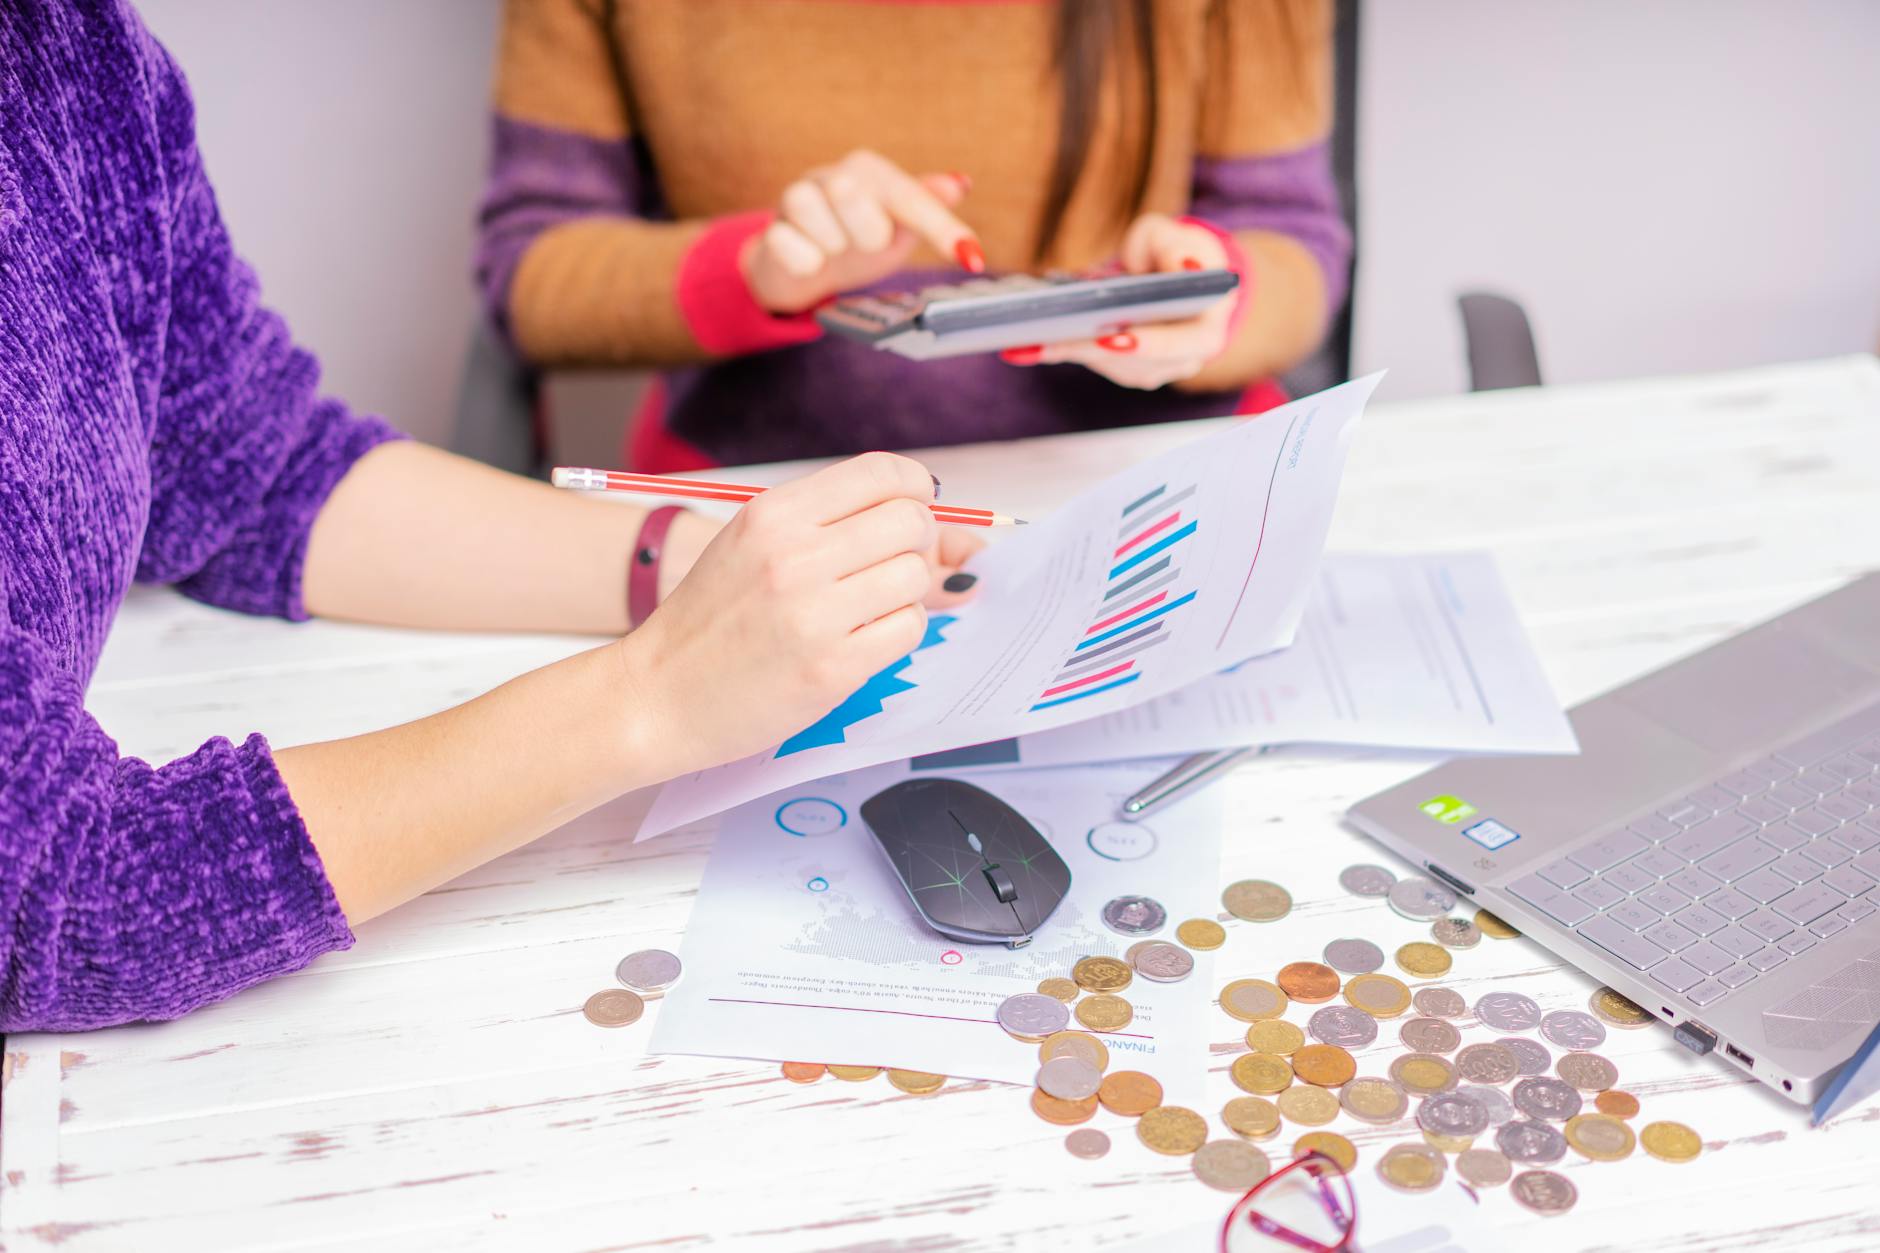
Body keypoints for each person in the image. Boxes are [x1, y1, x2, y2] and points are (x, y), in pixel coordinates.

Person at [0, 0, 979, 1034]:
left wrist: (683, 560)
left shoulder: (75, 46)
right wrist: (649, 697)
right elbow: (46, 897)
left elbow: (249, 465)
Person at [478, 0, 1351, 471]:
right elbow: (532, 268)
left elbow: (1292, 234)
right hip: (763, 509)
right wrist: (757, 271)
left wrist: (1212, 298)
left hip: (1162, 494)